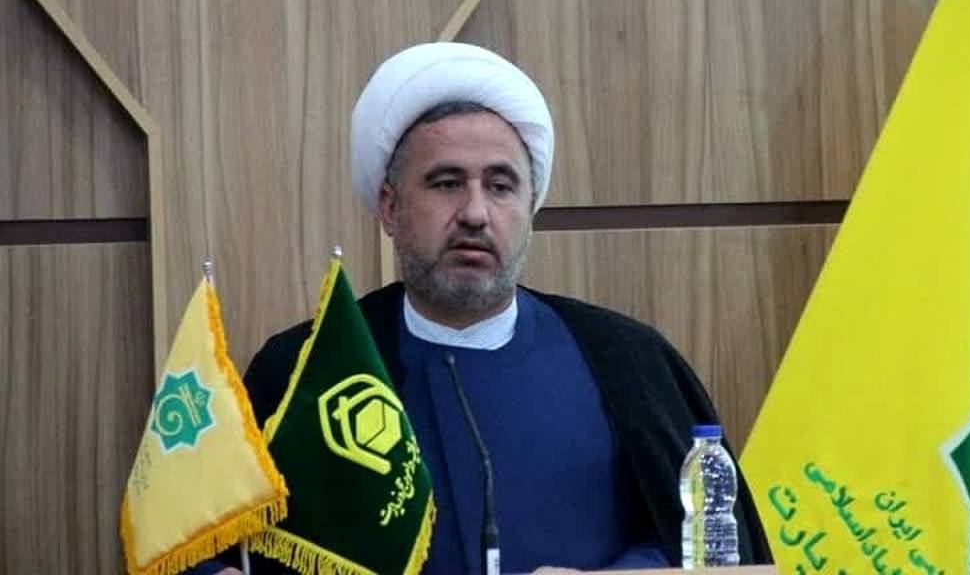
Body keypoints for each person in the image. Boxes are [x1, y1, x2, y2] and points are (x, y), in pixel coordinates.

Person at [206, 42, 770, 573]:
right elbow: (201, 542)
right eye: (446, 183)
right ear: (389, 207)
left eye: (501, 186)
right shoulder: (307, 369)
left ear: (531, 205)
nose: (475, 213)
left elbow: (708, 552)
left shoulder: (627, 362)